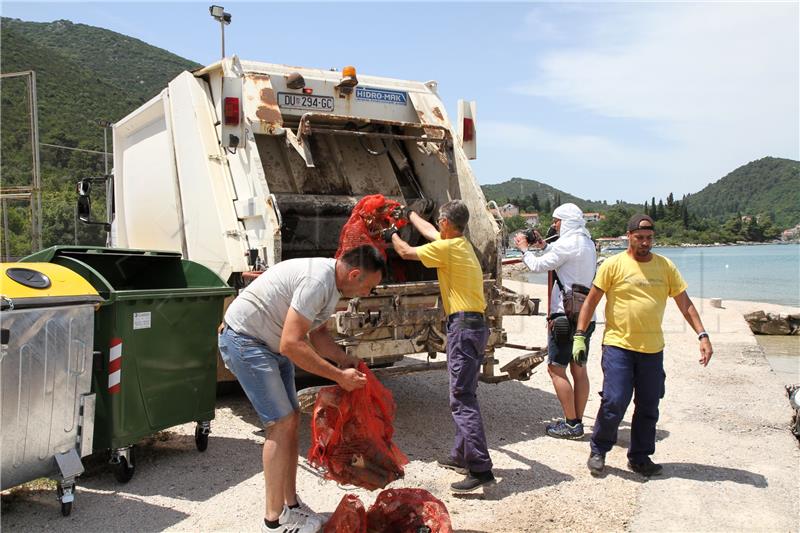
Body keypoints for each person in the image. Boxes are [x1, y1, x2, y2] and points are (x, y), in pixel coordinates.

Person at [218, 245, 386, 533]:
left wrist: (345, 360)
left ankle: (291, 505)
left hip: (269, 344)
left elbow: (316, 333)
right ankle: (273, 521)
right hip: (247, 341)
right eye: (368, 287)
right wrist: (338, 376)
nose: (367, 294)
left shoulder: (332, 283)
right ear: (355, 274)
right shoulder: (317, 282)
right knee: (280, 424)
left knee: (292, 420)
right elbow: (292, 344)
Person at [573, 214, 713, 477]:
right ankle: (599, 449)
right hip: (618, 346)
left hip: (652, 350)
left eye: (649, 238)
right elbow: (590, 302)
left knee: (649, 405)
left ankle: (639, 457)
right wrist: (580, 335)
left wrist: (702, 335)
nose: (645, 243)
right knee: (615, 400)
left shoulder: (665, 266)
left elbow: (685, 303)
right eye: (640, 238)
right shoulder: (613, 265)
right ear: (629, 236)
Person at [384, 199, 495, 493]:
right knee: (464, 391)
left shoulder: (447, 249)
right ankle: (461, 456)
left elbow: (406, 252)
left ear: (447, 223)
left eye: (440, 222)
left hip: (463, 327)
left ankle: (481, 469)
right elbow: (431, 232)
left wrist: (391, 233)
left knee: (461, 398)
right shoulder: (460, 244)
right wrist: (411, 215)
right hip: (475, 325)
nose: (438, 227)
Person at [513, 203, 597, 439]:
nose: (554, 225)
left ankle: (571, 424)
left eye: (557, 221)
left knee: (556, 369)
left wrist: (524, 249)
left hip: (563, 315)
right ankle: (578, 419)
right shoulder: (588, 243)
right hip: (586, 315)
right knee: (579, 368)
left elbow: (538, 265)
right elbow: (566, 260)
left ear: (566, 221)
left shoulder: (566, 244)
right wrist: (545, 246)